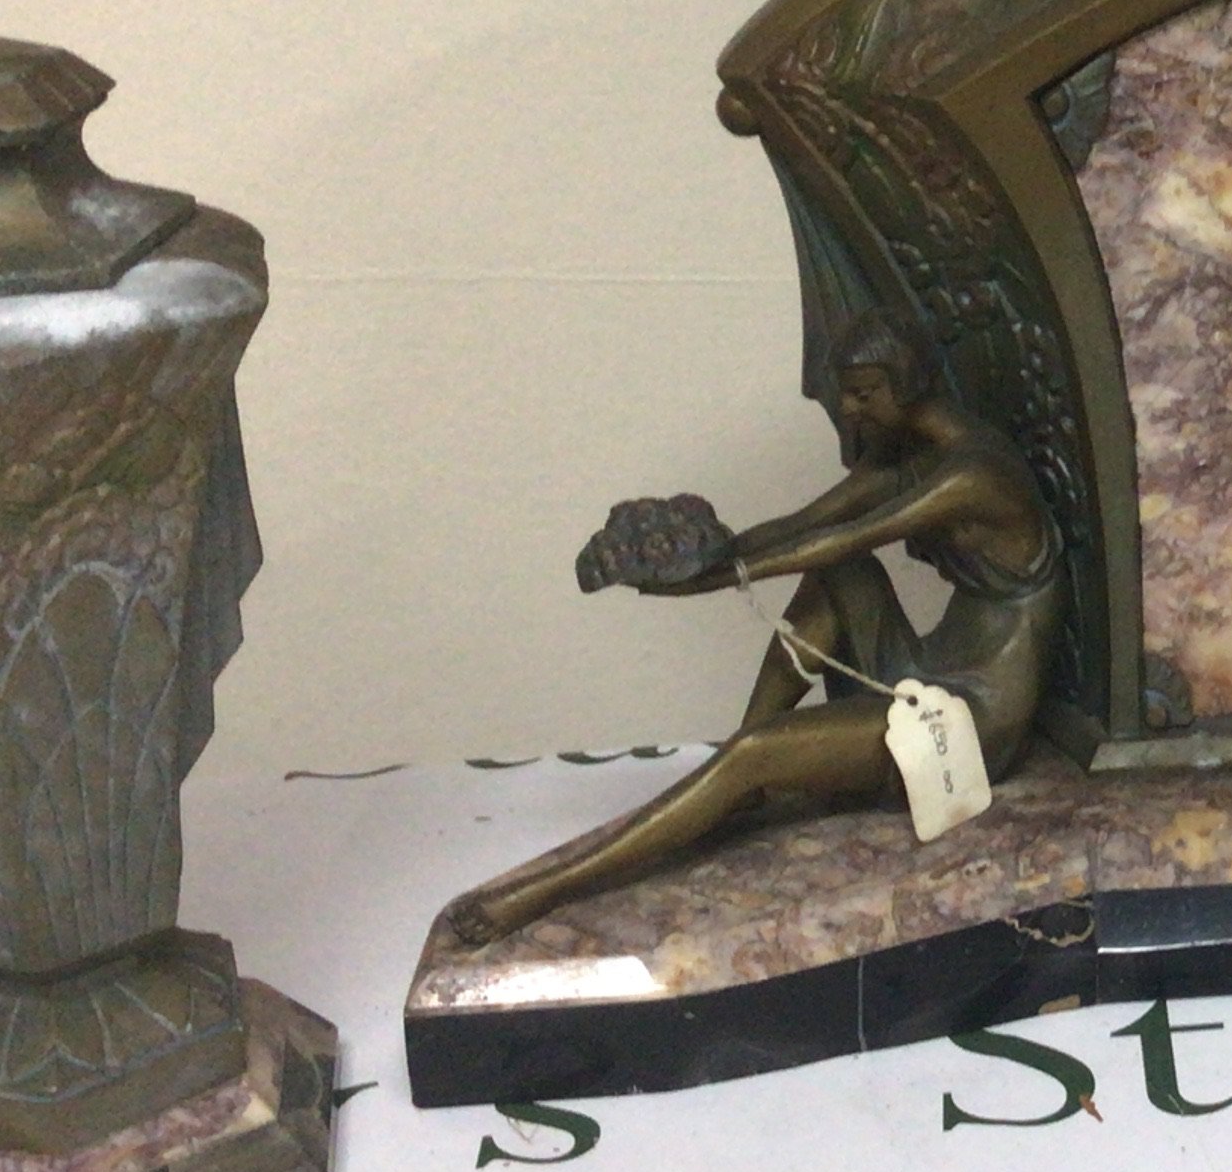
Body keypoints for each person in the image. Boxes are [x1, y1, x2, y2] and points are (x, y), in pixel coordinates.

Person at [444, 310, 1063, 945]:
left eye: (864, 392)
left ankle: (543, 891)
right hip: (929, 673)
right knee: (841, 578)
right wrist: (704, 558)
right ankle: (738, 780)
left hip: (975, 717)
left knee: (756, 751)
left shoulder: (974, 477)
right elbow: (807, 523)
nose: (849, 409)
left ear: (906, 383)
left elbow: (845, 537)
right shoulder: (917, 458)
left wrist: (713, 582)